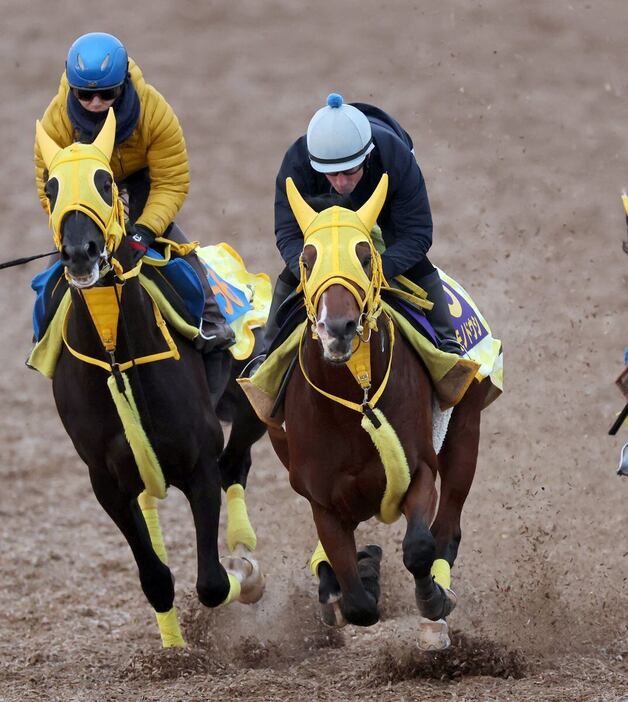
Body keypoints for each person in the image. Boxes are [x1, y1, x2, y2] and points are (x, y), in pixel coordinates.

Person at [34, 31, 235, 352]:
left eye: (108, 94)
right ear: (72, 89)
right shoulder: (55, 119)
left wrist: (143, 232)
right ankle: (43, 339)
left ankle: (212, 321)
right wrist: (72, 228)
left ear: (124, 83)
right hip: (85, 198)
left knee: (185, 255)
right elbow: (50, 187)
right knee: (50, 282)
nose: (96, 104)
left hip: (141, 184)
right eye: (84, 95)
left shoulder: (155, 111)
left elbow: (171, 181)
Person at [264, 92, 463, 358]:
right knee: (291, 276)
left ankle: (449, 348)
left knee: (418, 265)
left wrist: (379, 269)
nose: (342, 183)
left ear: (367, 157)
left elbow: (417, 234)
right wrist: (309, 268)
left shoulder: (396, 157)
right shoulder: (297, 163)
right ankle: (266, 356)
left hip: (386, 221)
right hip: (326, 233)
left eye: (350, 171)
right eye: (332, 174)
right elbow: (288, 235)